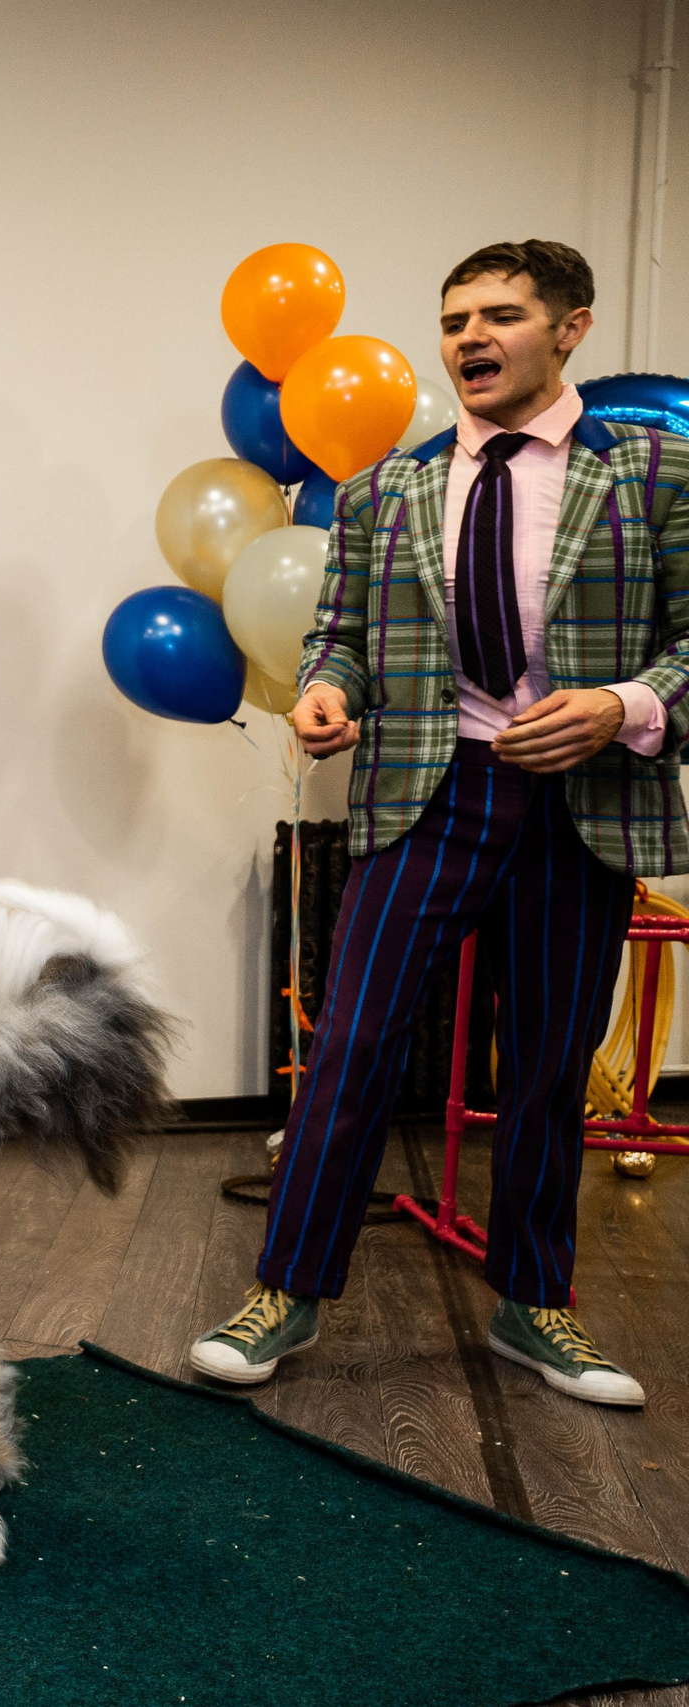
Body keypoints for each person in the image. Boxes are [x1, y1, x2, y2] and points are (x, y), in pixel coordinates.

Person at [190, 240, 689, 1407]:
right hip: (429, 793)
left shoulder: (659, 477)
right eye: (455, 317)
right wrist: (326, 692)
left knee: (550, 1066)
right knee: (356, 1047)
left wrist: (624, 706)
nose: (469, 337)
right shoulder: (387, 490)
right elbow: (341, 641)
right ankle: (286, 1292)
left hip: (584, 804)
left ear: (570, 328)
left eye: (501, 315)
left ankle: (535, 1304)